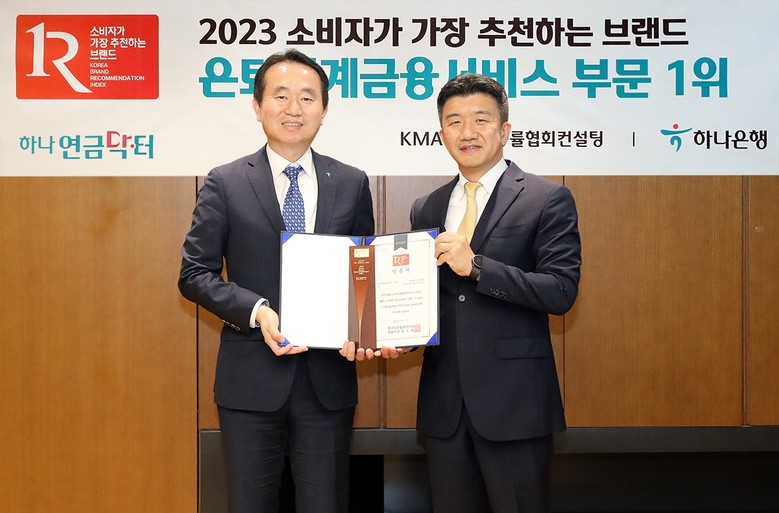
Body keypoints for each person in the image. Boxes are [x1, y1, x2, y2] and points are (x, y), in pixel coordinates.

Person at [178, 48, 377, 513]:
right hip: (250, 384)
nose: (294, 109)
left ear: (324, 110)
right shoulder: (225, 181)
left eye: (307, 98)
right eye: (281, 96)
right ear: (257, 106)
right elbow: (194, 274)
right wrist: (257, 311)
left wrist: (366, 328)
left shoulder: (351, 182)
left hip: (328, 383)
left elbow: (364, 273)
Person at [410, 73, 582, 513]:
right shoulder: (426, 207)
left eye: (480, 120)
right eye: (454, 122)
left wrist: (477, 267)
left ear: (504, 130)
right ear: (442, 134)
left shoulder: (546, 198)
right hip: (444, 409)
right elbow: (423, 299)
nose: (467, 132)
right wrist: (397, 336)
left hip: (515, 405)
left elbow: (560, 290)